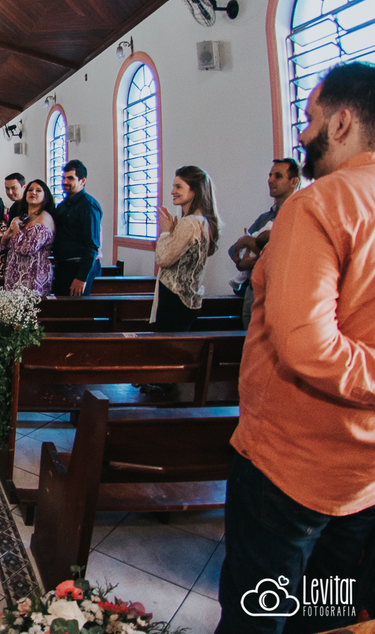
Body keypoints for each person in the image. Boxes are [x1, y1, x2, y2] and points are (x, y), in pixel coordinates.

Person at [217, 62, 375, 634]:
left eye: (309, 118)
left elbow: (306, 347)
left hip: (290, 473)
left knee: (258, 617)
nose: (303, 132)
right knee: (322, 617)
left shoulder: (321, 203)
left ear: (341, 123)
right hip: (362, 478)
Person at [228, 158, 300, 329]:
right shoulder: (265, 218)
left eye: (278, 176)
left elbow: (282, 254)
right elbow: (233, 249)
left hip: (277, 294)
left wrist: (249, 242)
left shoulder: (297, 214)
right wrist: (240, 262)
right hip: (252, 293)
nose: (270, 180)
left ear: (293, 182)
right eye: (270, 175)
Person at [150, 166, 221, 331]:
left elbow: (163, 259)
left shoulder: (189, 222)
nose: (172, 191)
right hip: (188, 299)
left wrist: (166, 232)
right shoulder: (202, 221)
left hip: (175, 299)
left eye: (179, 187)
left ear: (194, 191)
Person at [53, 160, 103, 296]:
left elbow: (92, 245)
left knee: (75, 311)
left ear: (82, 180)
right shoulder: (63, 206)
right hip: (63, 266)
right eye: (63, 178)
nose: (65, 182)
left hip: (78, 266)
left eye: (70, 178)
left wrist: (82, 277)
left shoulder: (88, 205)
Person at [2, 179, 56, 295]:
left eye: (38, 190)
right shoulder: (25, 218)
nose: (33, 192)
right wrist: (10, 230)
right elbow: (3, 244)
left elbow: (27, 248)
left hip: (33, 274)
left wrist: (15, 228)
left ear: (45, 196)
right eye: (30, 190)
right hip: (16, 274)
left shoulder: (44, 218)